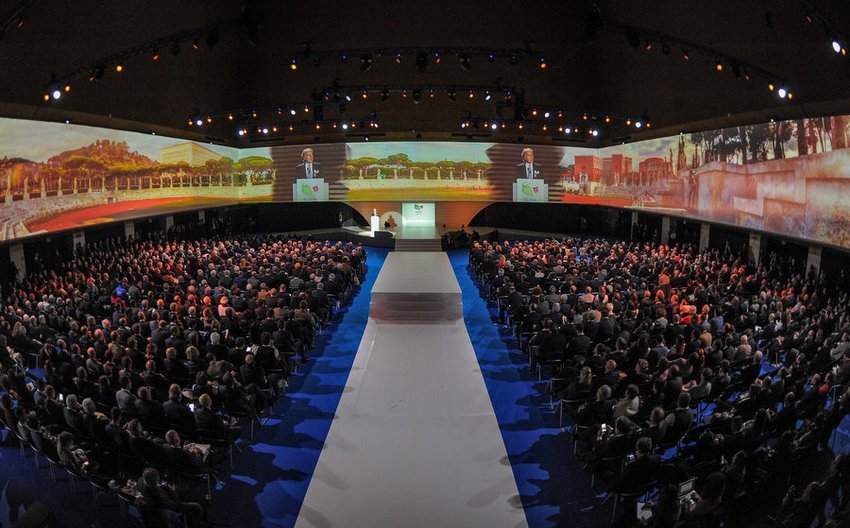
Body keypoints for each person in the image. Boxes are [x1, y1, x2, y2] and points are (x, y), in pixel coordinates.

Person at [136, 466, 204, 527]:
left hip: (158, 501)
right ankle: (197, 524)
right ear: (157, 480)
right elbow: (174, 505)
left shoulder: (140, 481)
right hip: (168, 507)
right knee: (197, 506)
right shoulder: (160, 498)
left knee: (183, 489)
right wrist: (173, 491)